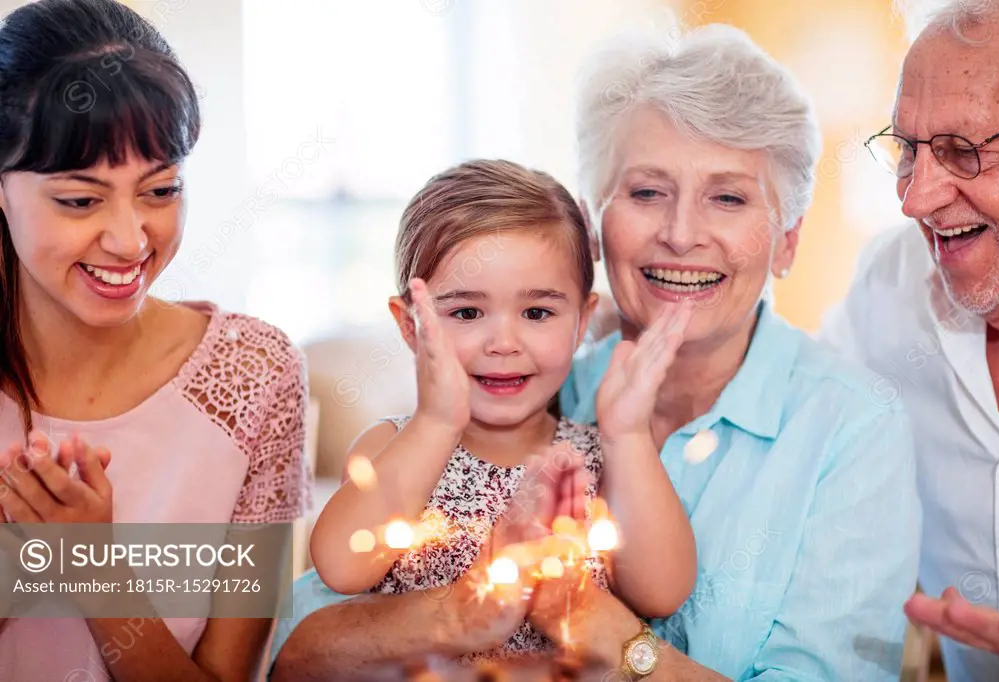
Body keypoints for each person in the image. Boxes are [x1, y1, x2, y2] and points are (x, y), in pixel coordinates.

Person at [269, 20, 921, 682]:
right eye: (646, 192)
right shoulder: (522, 393)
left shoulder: (851, 429)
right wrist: (460, 612)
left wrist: (603, 630)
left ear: (786, 239)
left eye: (727, 197)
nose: (681, 233)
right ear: (596, 226)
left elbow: (664, 589)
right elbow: (301, 645)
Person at [0, 0, 312, 680]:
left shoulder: (255, 375)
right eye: (79, 200)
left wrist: (95, 570)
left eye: (161, 190)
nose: (130, 240)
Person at [307, 158, 697, 664]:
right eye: (467, 313)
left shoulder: (604, 458)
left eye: (537, 313)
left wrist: (628, 436)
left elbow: (663, 591)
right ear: (410, 327)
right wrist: (436, 423)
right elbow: (340, 566)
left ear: (580, 322)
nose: (504, 343)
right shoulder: (391, 446)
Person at [819, 0, 999, 679]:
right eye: (908, 150)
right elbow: (794, 412)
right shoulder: (891, 282)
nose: (914, 199)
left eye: (962, 152)